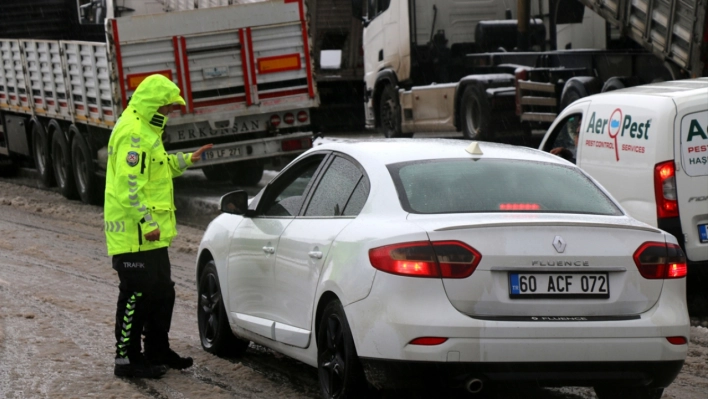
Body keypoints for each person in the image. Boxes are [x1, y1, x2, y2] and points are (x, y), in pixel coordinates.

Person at [104, 74, 213, 378]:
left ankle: (156, 349)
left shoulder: (147, 132)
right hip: (135, 234)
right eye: (167, 108)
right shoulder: (134, 134)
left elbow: (158, 168)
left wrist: (187, 160)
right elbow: (129, 186)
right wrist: (147, 221)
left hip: (151, 236)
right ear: (154, 105)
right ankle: (126, 359)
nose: (169, 114)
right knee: (136, 295)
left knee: (162, 292)